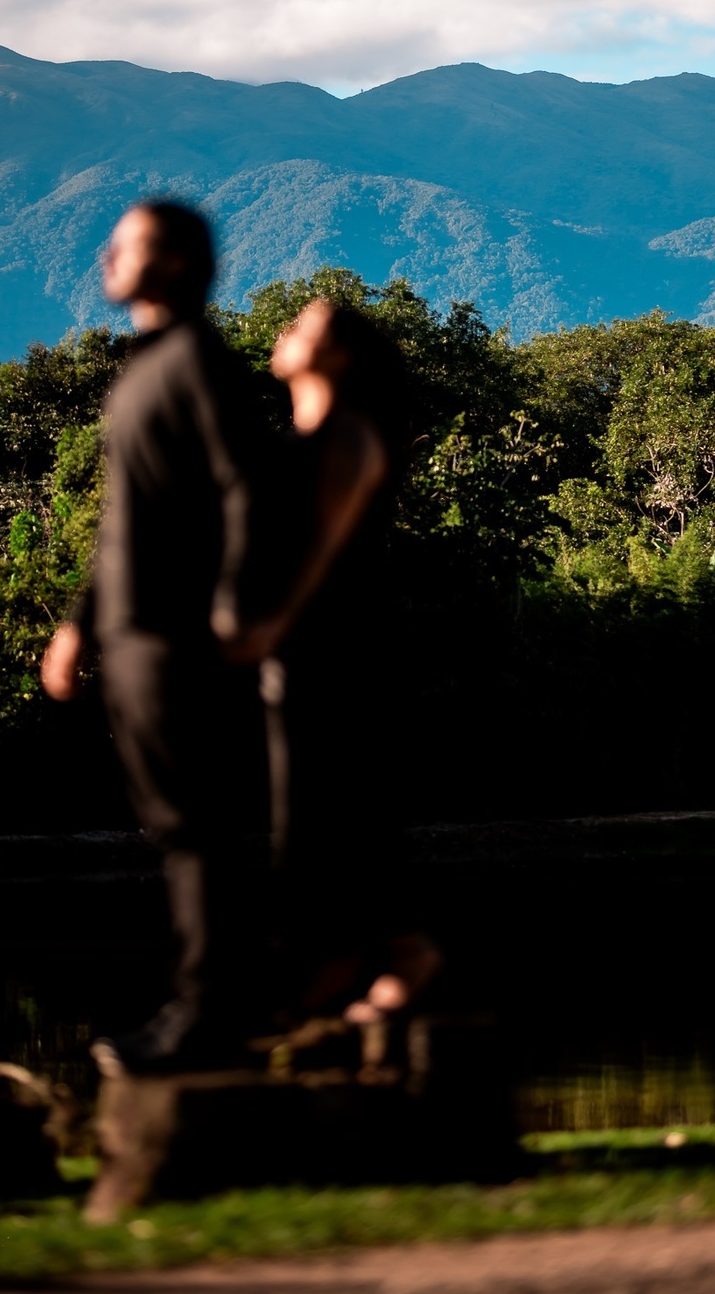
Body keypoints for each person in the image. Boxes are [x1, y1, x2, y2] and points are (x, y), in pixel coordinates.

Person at [41, 200, 271, 1071]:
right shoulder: (144, 367)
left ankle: (214, 1013)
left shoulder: (198, 363)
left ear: (173, 263)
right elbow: (121, 525)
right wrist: (76, 627)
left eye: (127, 244)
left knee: (196, 826)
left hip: (178, 636)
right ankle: (206, 1007)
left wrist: (230, 609)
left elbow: (246, 488)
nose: (106, 254)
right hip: (132, 633)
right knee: (177, 828)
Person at [224, 298, 441, 1025]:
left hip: (340, 643)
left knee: (346, 802)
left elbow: (322, 554)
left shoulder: (350, 436)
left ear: (340, 355)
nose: (286, 331)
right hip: (300, 647)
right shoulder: (302, 437)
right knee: (308, 814)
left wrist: (270, 627)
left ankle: (406, 951)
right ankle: (341, 957)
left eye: (305, 324)